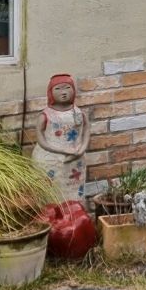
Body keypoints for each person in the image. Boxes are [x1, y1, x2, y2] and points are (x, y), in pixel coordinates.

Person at [33, 74, 90, 202]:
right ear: (50, 92)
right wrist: (63, 151)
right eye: (58, 89)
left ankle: (75, 217)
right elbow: (40, 138)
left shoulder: (79, 113)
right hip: (50, 160)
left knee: (73, 192)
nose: (63, 92)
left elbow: (86, 130)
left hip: (75, 161)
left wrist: (82, 148)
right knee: (51, 193)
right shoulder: (46, 115)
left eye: (67, 88)